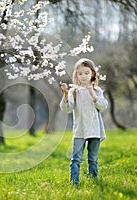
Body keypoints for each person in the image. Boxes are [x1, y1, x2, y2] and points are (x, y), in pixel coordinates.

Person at [59, 58, 108, 186]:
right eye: (80, 73)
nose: (83, 76)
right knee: (76, 159)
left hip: (94, 130)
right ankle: (74, 183)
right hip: (79, 130)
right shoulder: (74, 91)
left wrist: (93, 94)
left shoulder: (97, 90)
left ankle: (93, 181)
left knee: (93, 159)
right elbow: (67, 108)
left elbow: (103, 106)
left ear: (92, 73)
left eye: (86, 73)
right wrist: (65, 94)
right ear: (76, 75)